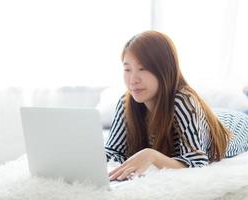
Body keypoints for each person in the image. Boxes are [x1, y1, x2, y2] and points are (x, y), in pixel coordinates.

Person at [105, 30, 248, 181]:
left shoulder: (183, 100)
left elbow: (197, 163)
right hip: (206, 118)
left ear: (164, 69)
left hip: (235, 125)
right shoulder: (126, 102)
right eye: (127, 69)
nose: (133, 79)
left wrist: (151, 155)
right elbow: (113, 152)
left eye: (143, 69)